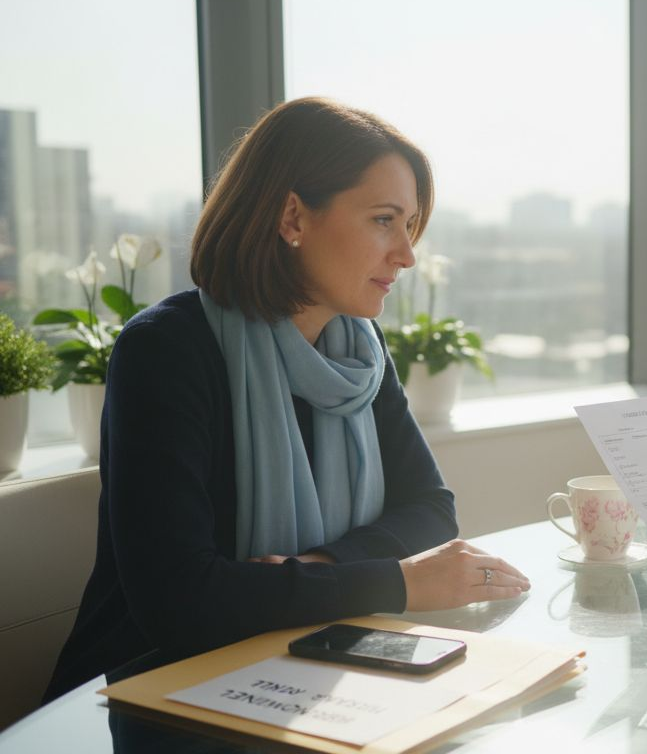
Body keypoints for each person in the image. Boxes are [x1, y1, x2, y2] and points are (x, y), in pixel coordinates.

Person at [45, 98, 529, 701]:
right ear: (293, 217)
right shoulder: (166, 350)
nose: (406, 254)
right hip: (145, 690)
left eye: (410, 226)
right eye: (384, 220)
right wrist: (398, 583)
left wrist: (319, 569)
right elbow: (181, 602)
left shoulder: (358, 348)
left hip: (306, 668)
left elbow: (430, 508)